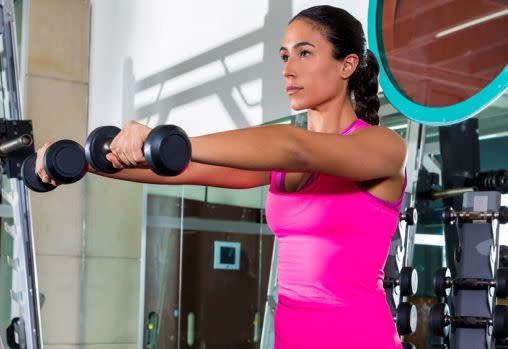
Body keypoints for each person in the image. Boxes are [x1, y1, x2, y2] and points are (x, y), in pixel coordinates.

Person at [36, 5, 407, 348]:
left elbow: (296, 147)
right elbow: (185, 169)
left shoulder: (383, 148)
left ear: (347, 65)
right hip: (293, 336)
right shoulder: (279, 156)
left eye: (304, 53)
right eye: (284, 56)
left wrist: (168, 140)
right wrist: (86, 161)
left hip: (357, 335)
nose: (288, 69)